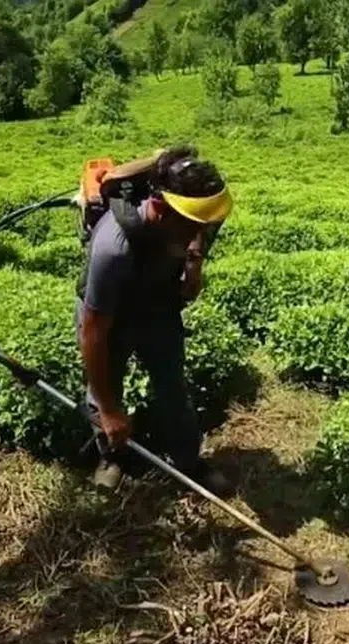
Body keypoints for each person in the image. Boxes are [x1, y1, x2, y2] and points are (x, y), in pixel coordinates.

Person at [75, 145, 233, 493]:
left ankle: (188, 461)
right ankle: (111, 456)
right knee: (105, 387)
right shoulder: (114, 248)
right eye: (193, 228)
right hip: (112, 314)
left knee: (172, 386)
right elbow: (93, 332)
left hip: (158, 305)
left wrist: (194, 262)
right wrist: (109, 410)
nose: (200, 233)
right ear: (161, 211)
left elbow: (198, 232)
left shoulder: (190, 219)